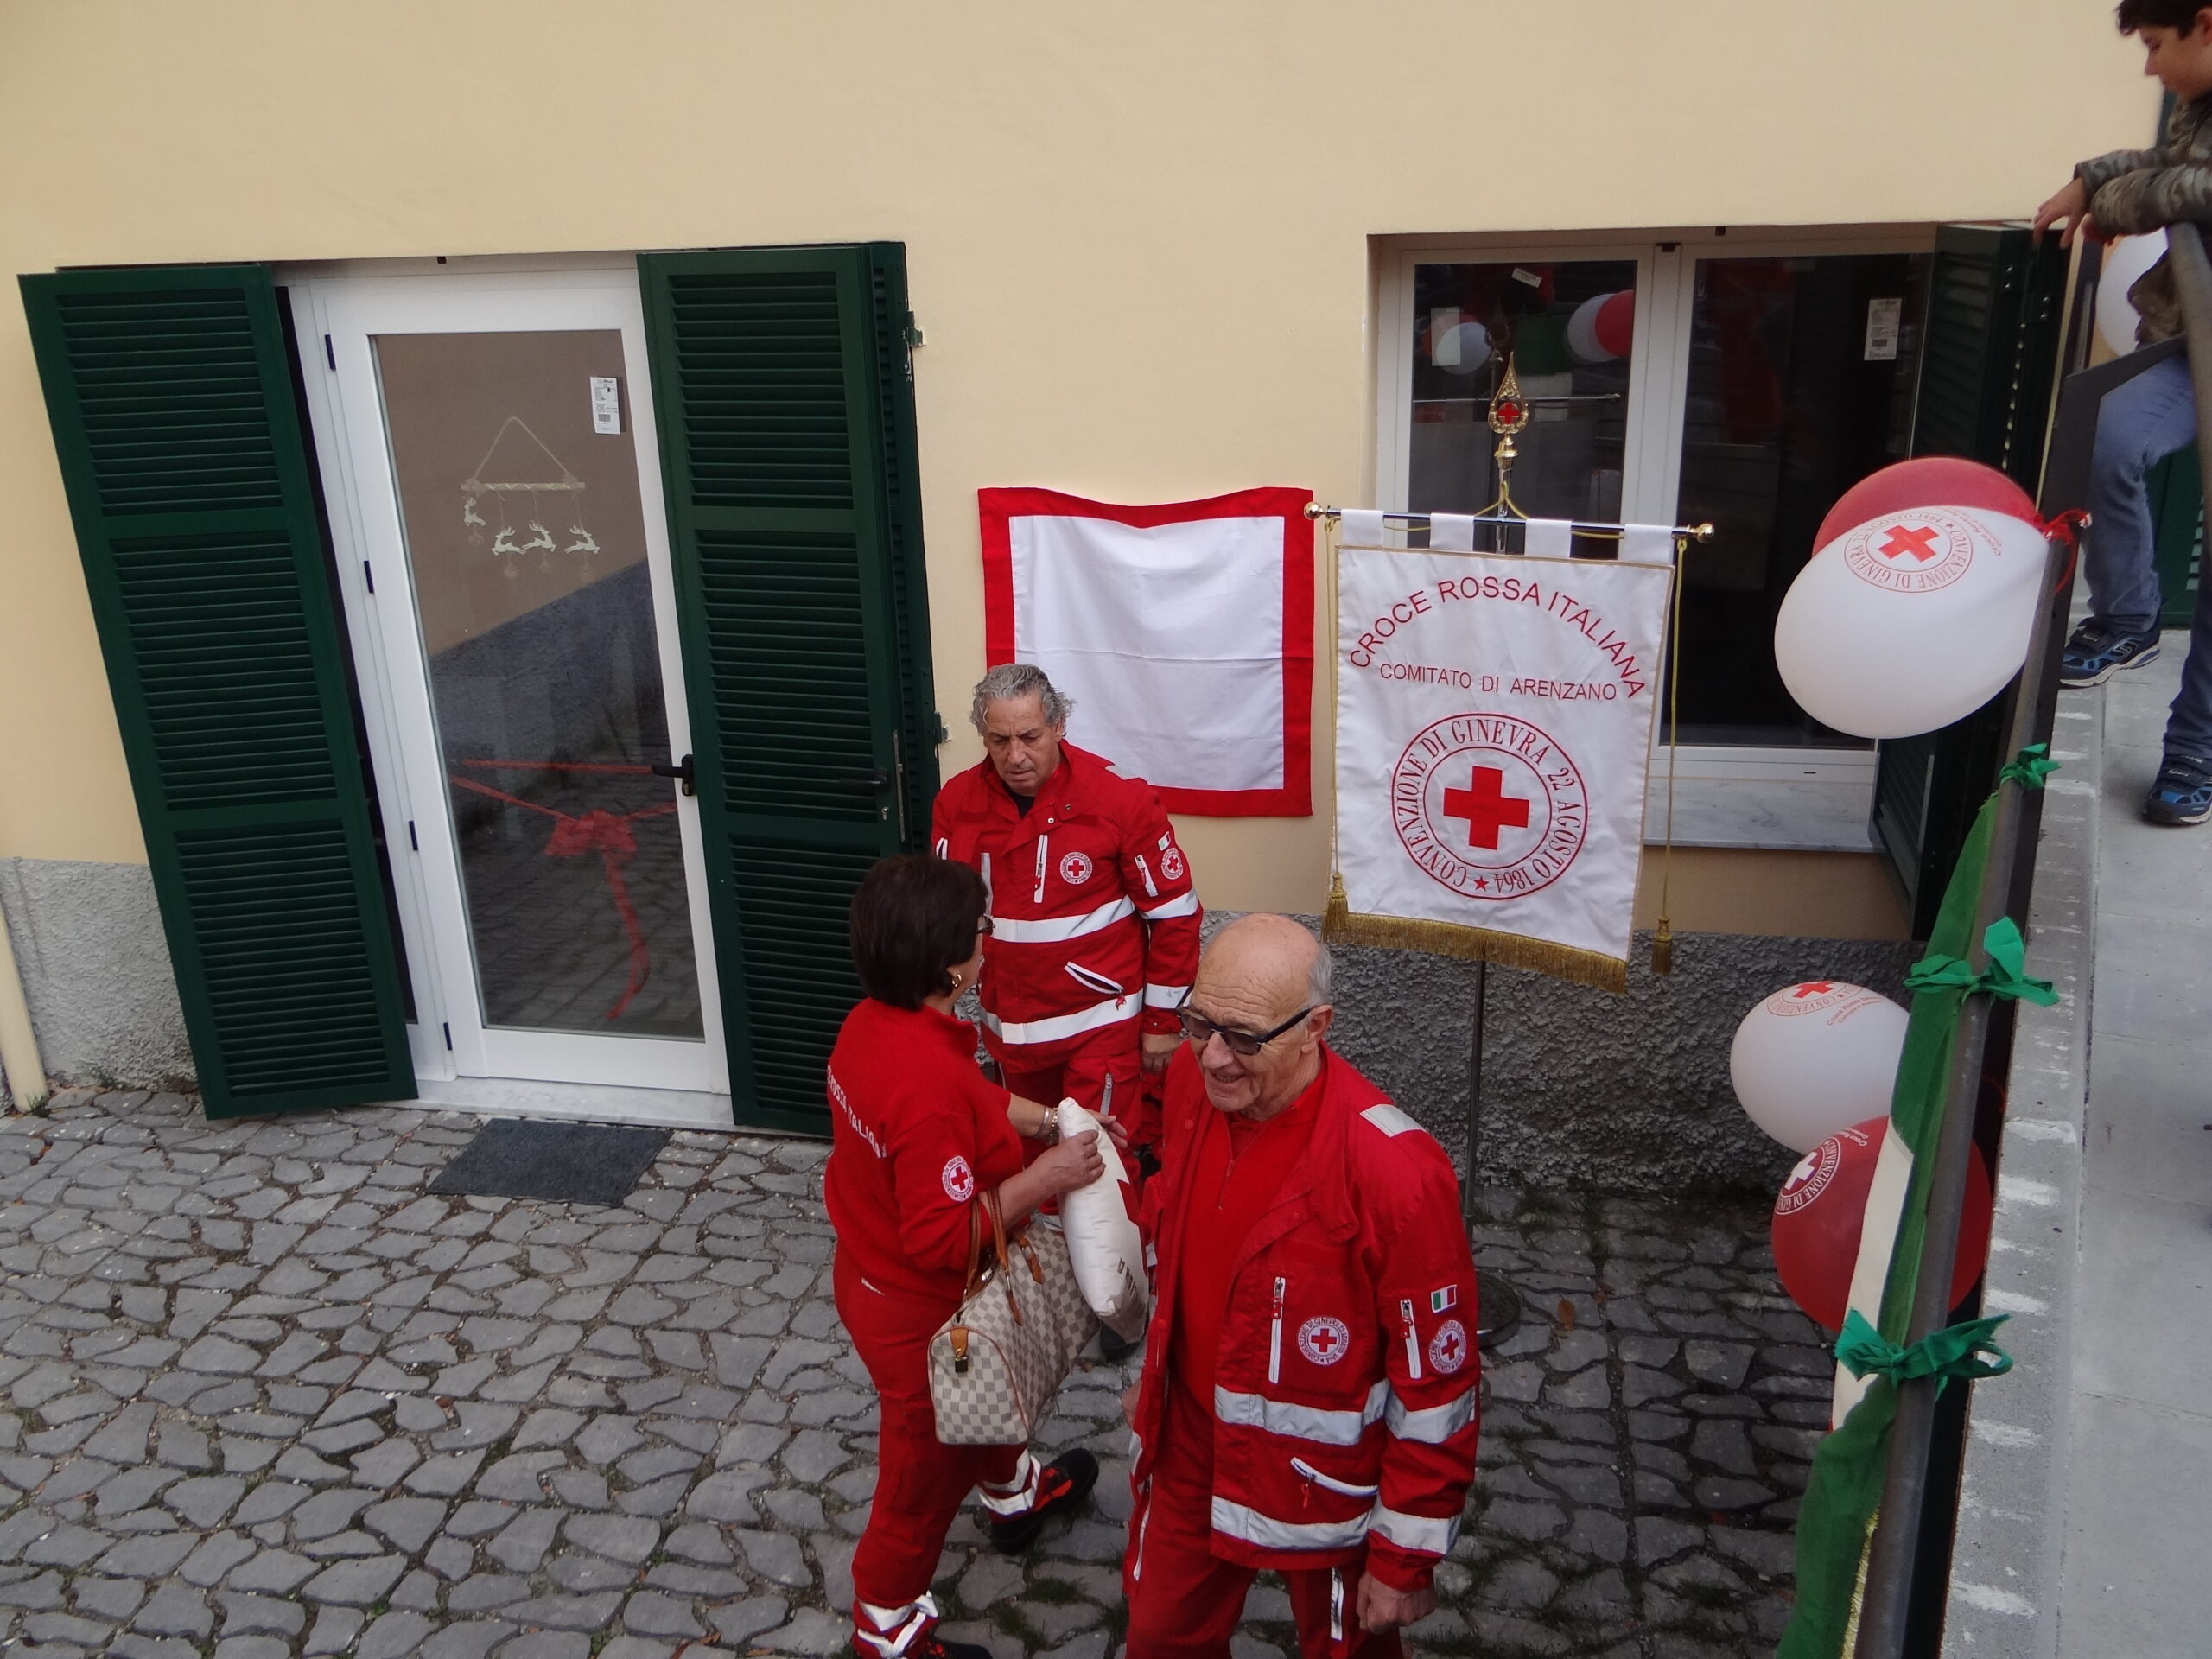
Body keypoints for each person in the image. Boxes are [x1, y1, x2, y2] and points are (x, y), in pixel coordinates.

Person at [1121, 915, 1480, 1659]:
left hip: (1331, 1489)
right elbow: (1174, 1235)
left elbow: (1437, 1390)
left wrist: (1403, 1556)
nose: (1214, 1057)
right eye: (1199, 1022)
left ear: (1318, 1025)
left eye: (1245, 1037)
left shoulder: (1398, 1176)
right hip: (1195, 1444)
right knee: (1160, 1638)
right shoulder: (1191, 1084)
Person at [825, 853, 1106, 1659]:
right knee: (919, 1484)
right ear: (953, 968)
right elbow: (944, 1238)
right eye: (980, 930)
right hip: (921, 1317)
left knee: (987, 1396)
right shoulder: (922, 1088)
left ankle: (1015, 1500)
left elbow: (971, 1095)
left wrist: (1052, 1121)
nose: (988, 938)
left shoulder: (876, 1024)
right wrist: (1046, 1177)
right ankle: (886, 1630)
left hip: (871, 1276)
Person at [2035, 0, 2212, 825]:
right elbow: (2166, 166)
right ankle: (2128, 617)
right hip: (2191, 348)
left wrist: (2122, 198)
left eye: (2154, 46)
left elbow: (2193, 188)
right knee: (2109, 439)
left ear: (2206, 24)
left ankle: (2195, 751)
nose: (2150, 69)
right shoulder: (2199, 104)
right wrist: (2093, 175)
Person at [931, 663, 1202, 1135]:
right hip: (1009, 1033)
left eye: (1030, 737)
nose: (1016, 755)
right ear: (983, 737)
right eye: (999, 741)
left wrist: (1162, 1023)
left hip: (1100, 1032)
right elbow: (940, 919)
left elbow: (1175, 916)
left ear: (1058, 726)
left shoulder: (1119, 801)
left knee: (1101, 1170)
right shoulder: (956, 803)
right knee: (1023, 1163)